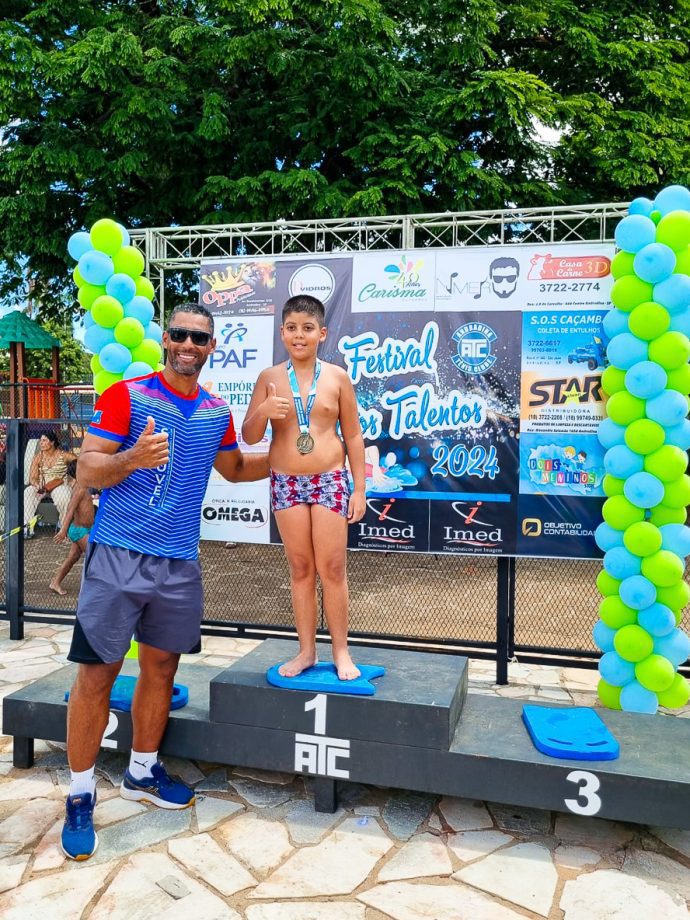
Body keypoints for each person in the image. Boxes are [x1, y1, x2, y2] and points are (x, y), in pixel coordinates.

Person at [61, 302, 268, 862]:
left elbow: (236, 469)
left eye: (199, 338)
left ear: (211, 347)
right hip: (117, 557)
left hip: (178, 564)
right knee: (96, 676)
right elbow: (88, 468)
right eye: (180, 334)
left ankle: (142, 771)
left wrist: (300, 453)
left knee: (161, 669)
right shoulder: (126, 396)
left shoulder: (216, 411)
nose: (188, 345)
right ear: (165, 340)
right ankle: (79, 795)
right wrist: (133, 457)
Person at [242, 294, 366, 682]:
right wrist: (263, 412)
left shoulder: (338, 377)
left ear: (321, 334)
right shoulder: (269, 378)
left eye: (308, 328)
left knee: (332, 568)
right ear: (282, 332)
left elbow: (354, 435)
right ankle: (307, 651)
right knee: (300, 569)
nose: (299, 335)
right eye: (292, 328)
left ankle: (341, 651)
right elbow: (249, 435)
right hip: (286, 482)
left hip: (329, 480)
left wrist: (359, 489)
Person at [49, 460, 95, 596]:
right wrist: (63, 530)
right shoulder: (79, 489)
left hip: (84, 529)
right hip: (80, 531)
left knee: (72, 558)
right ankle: (93, 589)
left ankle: (55, 582)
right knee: (94, 557)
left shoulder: (83, 486)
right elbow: (70, 510)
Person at [24, 431, 75, 533]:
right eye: (40, 441)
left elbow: (79, 462)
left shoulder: (64, 455)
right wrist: (36, 484)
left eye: (44, 440)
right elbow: (33, 477)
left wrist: (72, 479)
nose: (41, 443)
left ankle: (64, 526)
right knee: (28, 492)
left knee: (64, 495)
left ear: (52, 442)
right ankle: (28, 528)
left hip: (59, 484)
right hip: (42, 485)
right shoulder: (38, 457)